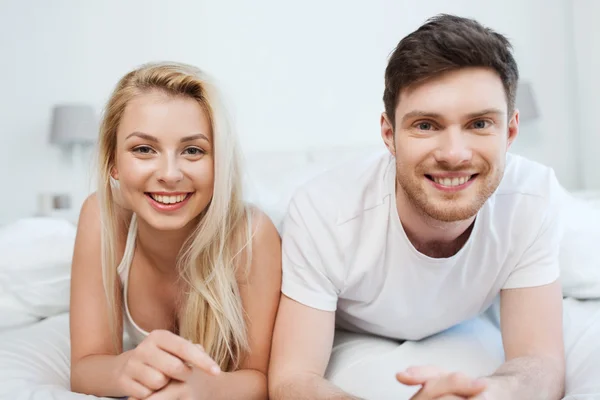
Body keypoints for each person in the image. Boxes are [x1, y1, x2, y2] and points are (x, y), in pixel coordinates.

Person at [268, 14, 567, 400]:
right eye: (426, 125)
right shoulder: (323, 212)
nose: (454, 155)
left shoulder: (535, 195)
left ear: (510, 131)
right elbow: (292, 379)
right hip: (360, 330)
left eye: (479, 124)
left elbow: (540, 360)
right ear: (389, 135)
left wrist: (490, 393)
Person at [69, 62, 281, 400]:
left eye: (193, 150)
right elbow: (84, 367)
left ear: (219, 162)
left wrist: (205, 389)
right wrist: (124, 370)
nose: (169, 174)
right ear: (113, 162)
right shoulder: (101, 216)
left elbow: (260, 378)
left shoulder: (253, 235)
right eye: (144, 149)